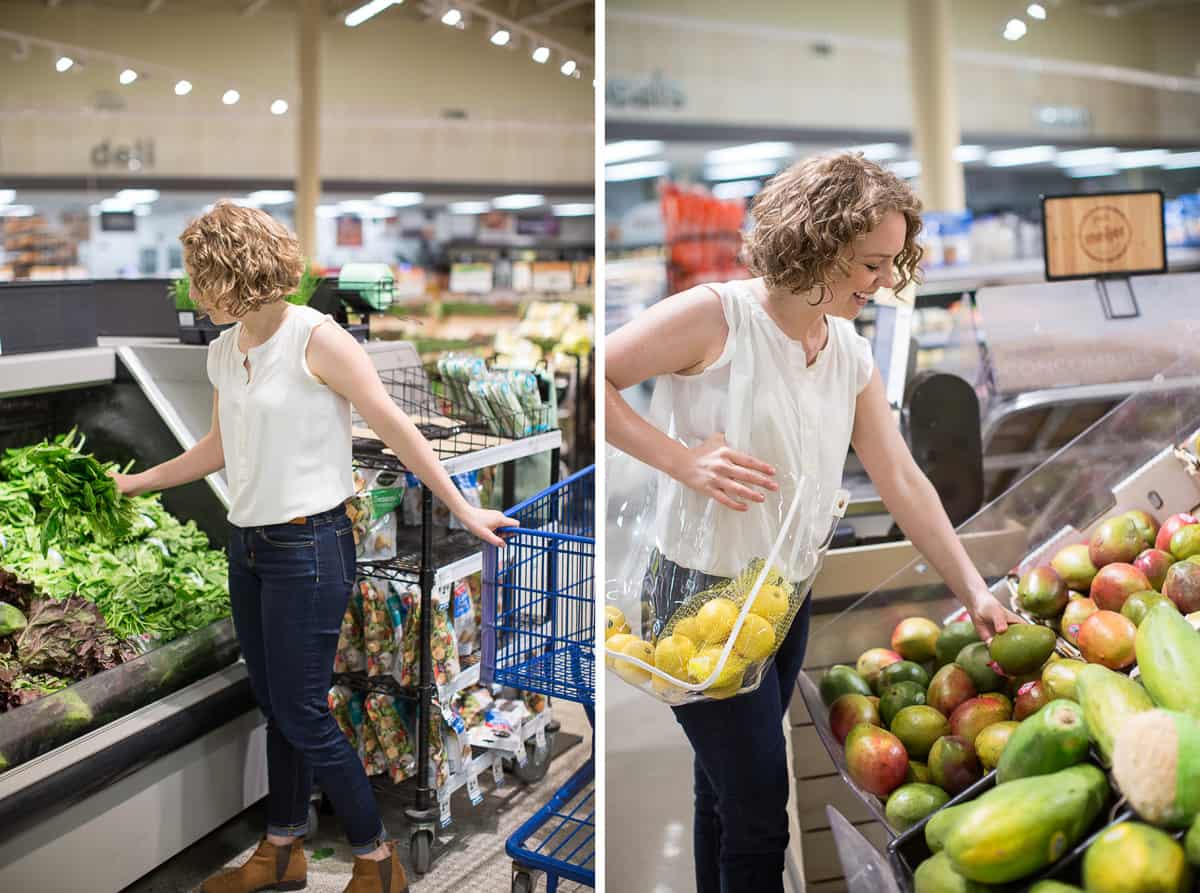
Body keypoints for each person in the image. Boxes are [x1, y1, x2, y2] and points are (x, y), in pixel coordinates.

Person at [605, 153, 1022, 893]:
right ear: (817, 241)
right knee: (762, 810)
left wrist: (975, 588)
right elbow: (594, 376)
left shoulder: (849, 354)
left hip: (783, 597)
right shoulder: (718, 318)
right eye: (870, 263)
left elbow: (901, 479)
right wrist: (682, 461)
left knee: (723, 790)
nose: (886, 281)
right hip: (698, 596)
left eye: (893, 262)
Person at [112, 201, 517, 893]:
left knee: (302, 708)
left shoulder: (315, 337)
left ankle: (375, 856)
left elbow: (393, 426)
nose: (191, 287)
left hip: (310, 546)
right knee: (276, 705)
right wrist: (137, 483)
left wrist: (460, 504)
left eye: (198, 273)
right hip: (250, 547)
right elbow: (217, 447)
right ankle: (283, 848)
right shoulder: (224, 347)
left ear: (231, 270)